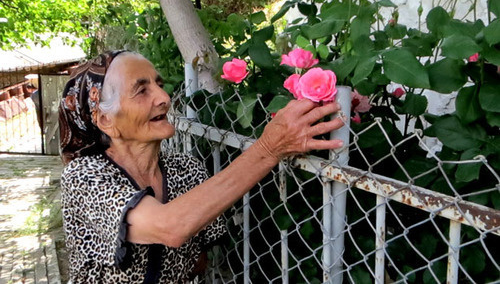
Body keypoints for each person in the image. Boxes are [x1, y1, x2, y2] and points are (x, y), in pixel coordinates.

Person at [58, 50, 344, 283]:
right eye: (141, 91)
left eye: (158, 84)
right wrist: (269, 147)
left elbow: (198, 262)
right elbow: (170, 227)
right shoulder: (84, 177)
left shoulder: (186, 169)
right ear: (105, 120)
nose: (164, 98)